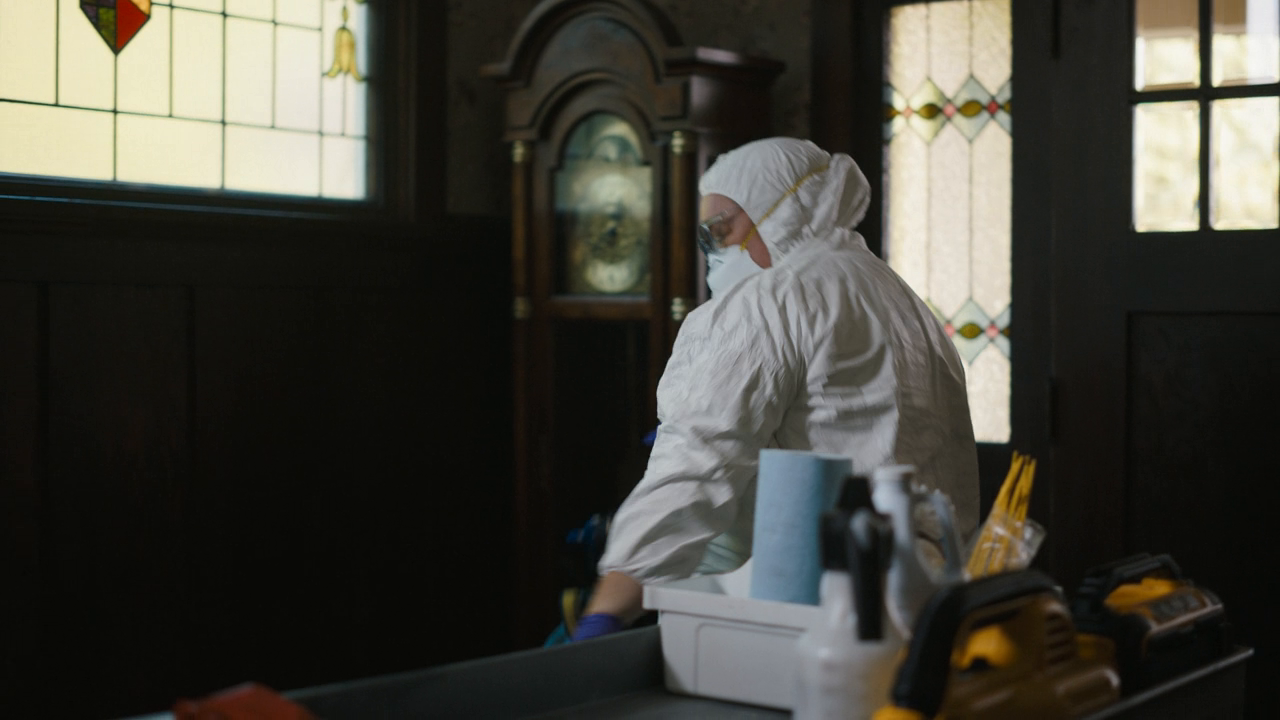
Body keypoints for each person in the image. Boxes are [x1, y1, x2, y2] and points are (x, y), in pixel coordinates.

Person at [570, 138, 979, 642]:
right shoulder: (905, 302)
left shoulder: (768, 302)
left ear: (784, 209)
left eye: (723, 228)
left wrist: (607, 609)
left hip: (818, 614)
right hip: (933, 605)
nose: (714, 249)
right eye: (706, 236)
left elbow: (693, 471)